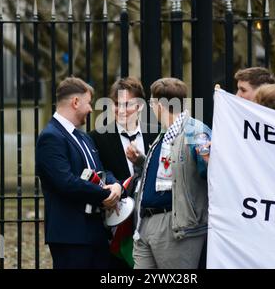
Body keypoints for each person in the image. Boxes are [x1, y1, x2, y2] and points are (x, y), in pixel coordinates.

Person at [35, 76, 123, 269]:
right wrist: (105, 195)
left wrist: (115, 185)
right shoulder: (51, 137)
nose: (91, 109)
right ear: (75, 102)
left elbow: (101, 171)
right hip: (70, 235)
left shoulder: (83, 137)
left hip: (94, 231)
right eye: (89, 103)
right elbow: (65, 182)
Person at [126, 77, 211, 269]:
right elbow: (167, 173)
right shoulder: (164, 135)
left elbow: (211, 172)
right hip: (145, 224)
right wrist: (141, 160)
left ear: (159, 105)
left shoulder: (195, 131)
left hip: (175, 226)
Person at [89, 77, 159, 268]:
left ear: (140, 106)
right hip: (116, 223)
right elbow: (99, 174)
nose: (121, 110)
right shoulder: (97, 137)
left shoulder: (157, 134)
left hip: (150, 222)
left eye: (127, 105)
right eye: (117, 104)